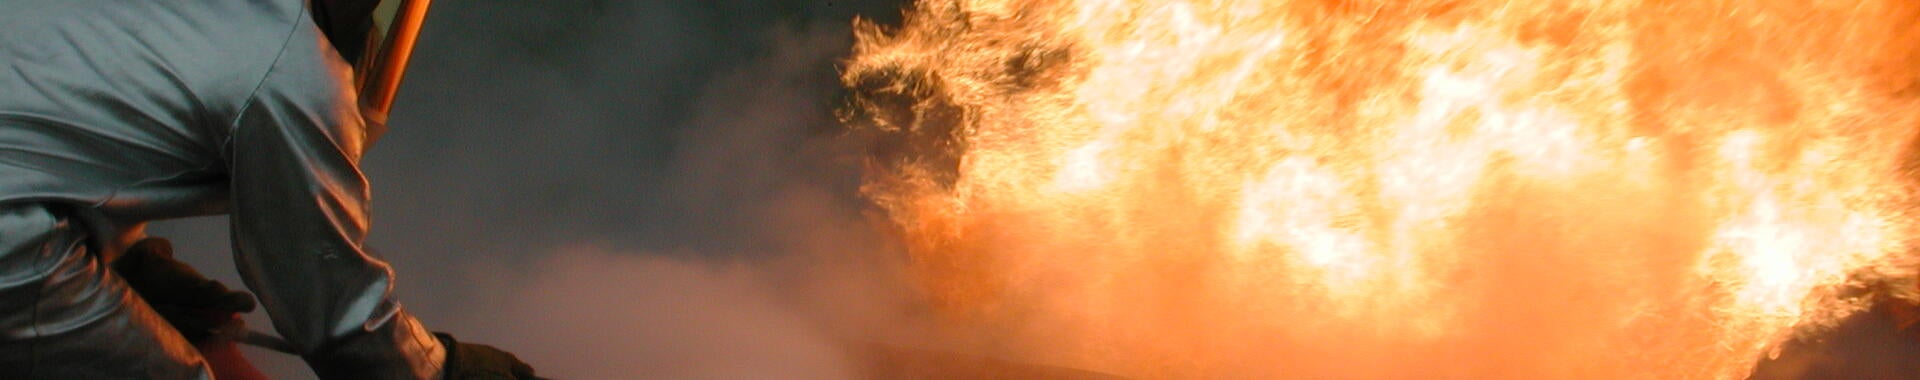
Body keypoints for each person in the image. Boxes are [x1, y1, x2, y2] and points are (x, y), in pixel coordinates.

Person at [0, 0, 536, 378]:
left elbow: (70, 132)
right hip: (12, 243)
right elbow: (335, 315)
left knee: (194, 343)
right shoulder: (288, 63)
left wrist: (134, 263)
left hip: (20, 211)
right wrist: (452, 373)